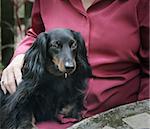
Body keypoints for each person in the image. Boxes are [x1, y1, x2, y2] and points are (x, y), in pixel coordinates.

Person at [1, 0, 149, 128]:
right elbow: (36, 33)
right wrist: (20, 55)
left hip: (119, 117)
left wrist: (141, 116)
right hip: (52, 116)